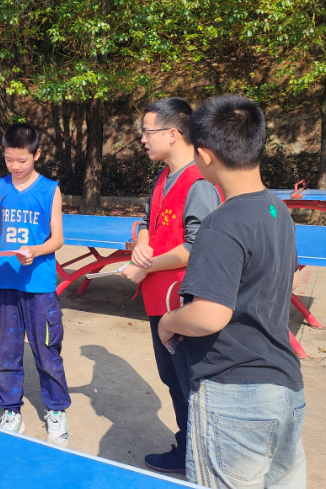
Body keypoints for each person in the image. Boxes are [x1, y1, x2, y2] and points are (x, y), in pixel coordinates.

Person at [159, 95, 306, 488]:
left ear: (205, 155)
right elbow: (288, 280)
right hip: (286, 389)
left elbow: (209, 315)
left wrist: (168, 322)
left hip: (235, 395)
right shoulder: (277, 209)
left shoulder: (220, 224)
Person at [118, 98, 221, 475]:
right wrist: (143, 242)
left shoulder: (200, 182)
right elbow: (148, 219)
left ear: (173, 133)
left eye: (148, 132)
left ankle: (202, 459)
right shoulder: (163, 176)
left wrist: (143, 266)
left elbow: (197, 246)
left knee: (191, 382)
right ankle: (187, 448)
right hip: (159, 301)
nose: (143, 139)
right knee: (173, 379)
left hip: (184, 303)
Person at [0, 123, 69, 447]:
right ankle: (11, 411)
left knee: (47, 352)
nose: (15, 166)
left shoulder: (50, 189)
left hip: (39, 285)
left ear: (37, 154)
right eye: (9, 160)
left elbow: (58, 239)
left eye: (22, 160)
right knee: (6, 350)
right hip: (5, 282)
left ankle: (56, 411)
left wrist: (36, 250)